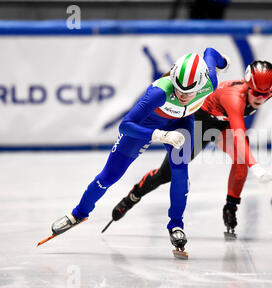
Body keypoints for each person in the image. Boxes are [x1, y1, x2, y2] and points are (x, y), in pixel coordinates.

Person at [105, 60, 272, 237]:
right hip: (199, 123)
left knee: (240, 161)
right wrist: (256, 165)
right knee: (167, 175)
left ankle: (230, 207)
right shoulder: (235, 98)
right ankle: (134, 195)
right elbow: (239, 132)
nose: (260, 99)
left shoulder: (265, 88)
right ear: (248, 85)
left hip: (223, 124)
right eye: (256, 93)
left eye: (266, 94)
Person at [44, 48, 229, 253]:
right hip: (146, 126)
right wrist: (159, 135)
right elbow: (125, 125)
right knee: (109, 176)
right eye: (178, 89)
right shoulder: (159, 92)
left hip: (181, 124)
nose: (182, 95)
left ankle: (176, 224)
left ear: (202, 84)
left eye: (188, 92)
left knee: (180, 172)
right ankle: (79, 213)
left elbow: (210, 52)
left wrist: (223, 62)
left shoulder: (211, 82)